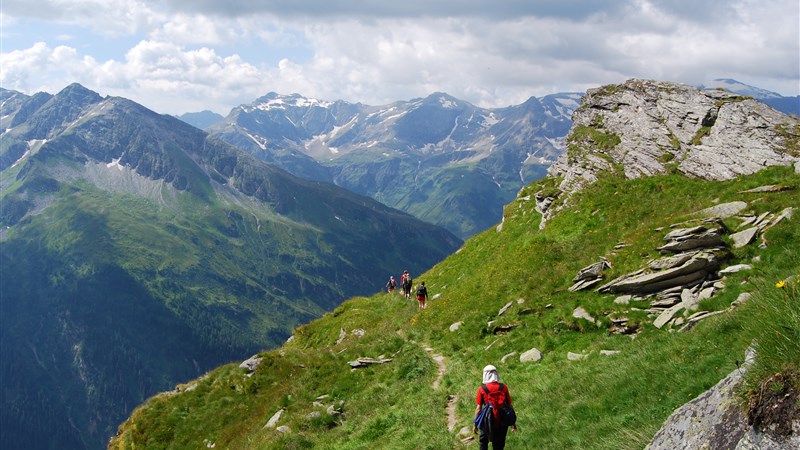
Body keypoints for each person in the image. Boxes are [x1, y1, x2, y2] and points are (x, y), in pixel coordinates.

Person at [473, 365, 517, 450]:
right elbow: (509, 405)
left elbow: (478, 408)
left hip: (487, 420)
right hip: (502, 420)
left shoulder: (482, 389)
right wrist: (513, 423)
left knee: (483, 442)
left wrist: (475, 424)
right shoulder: (503, 387)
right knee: (499, 445)